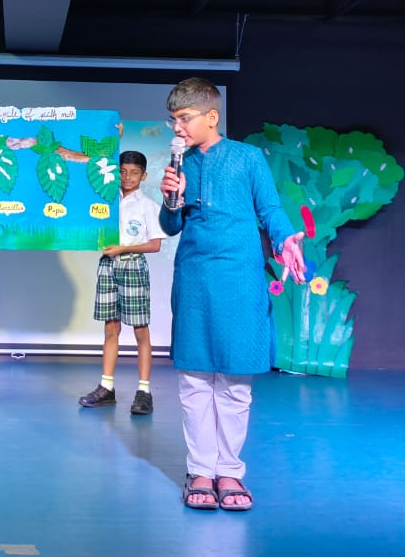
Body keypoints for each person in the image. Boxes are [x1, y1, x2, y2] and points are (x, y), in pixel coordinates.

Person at [158, 77, 306, 513]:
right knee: (195, 380)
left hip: (241, 278)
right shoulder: (180, 164)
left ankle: (229, 471)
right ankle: (200, 471)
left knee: (235, 382)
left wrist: (285, 240)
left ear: (212, 116)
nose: (177, 128)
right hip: (194, 278)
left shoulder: (247, 158)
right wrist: (171, 200)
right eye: (173, 120)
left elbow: (270, 209)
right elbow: (171, 227)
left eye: (184, 118)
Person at [78, 150, 167, 415]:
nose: (127, 177)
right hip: (108, 266)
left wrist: (124, 248)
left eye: (134, 172)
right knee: (110, 328)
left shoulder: (148, 205)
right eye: (123, 171)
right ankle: (106, 387)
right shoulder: (107, 201)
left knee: (140, 329)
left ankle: (144, 391)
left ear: (144, 176)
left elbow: (155, 245)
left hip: (132, 266)